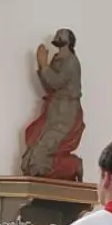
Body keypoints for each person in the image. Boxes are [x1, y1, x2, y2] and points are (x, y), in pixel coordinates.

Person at [21, 29, 84, 180]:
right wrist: (42, 66)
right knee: (28, 159)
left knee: (38, 159)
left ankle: (73, 165)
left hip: (66, 113)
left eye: (61, 34)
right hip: (53, 110)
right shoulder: (57, 59)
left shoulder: (71, 61)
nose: (57, 36)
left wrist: (43, 65)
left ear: (69, 40)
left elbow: (56, 82)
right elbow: (49, 86)